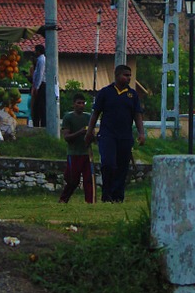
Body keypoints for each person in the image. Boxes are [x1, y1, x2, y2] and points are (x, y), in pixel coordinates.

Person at [84, 63, 145, 202]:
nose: (128, 78)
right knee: (108, 164)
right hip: (107, 135)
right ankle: (107, 194)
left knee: (122, 167)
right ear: (117, 76)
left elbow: (138, 115)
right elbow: (95, 113)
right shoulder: (105, 92)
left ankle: (117, 197)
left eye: (130, 76)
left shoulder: (132, 95)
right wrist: (89, 131)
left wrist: (141, 133)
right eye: (125, 75)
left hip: (125, 136)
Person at [59, 93, 95, 204]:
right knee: (73, 180)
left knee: (89, 179)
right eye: (78, 103)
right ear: (73, 104)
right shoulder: (68, 117)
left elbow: (92, 134)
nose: (81, 105)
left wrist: (91, 136)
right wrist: (80, 132)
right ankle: (63, 199)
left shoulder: (88, 117)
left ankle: (90, 201)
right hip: (74, 153)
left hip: (86, 153)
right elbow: (66, 137)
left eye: (83, 103)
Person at [30, 43, 47, 128]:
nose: (35, 52)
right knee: (37, 106)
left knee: (40, 105)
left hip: (41, 85)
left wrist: (37, 87)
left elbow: (40, 74)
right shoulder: (40, 60)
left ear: (39, 51)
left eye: (36, 50)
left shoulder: (41, 60)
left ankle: (42, 124)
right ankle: (37, 123)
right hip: (39, 85)